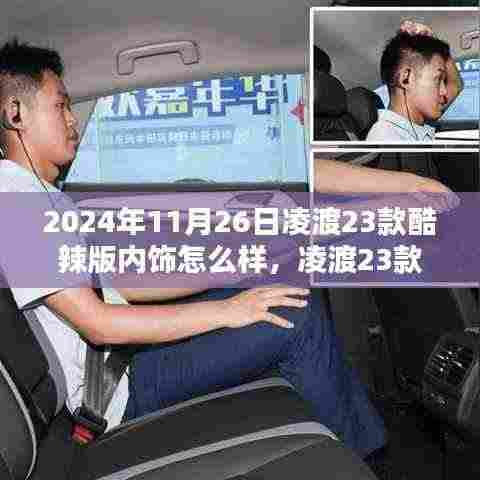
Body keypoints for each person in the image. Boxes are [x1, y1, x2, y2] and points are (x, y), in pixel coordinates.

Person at [0, 38, 456, 461]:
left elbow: (122, 284)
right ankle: (364, 458)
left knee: (279, 288)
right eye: (61, 105)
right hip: (114, 391)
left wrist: (230, 269)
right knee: (293, 319)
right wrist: (228, 310)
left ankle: (336, 433)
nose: (73, 119)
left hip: (118, 365)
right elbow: (98, 324)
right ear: (15, 113)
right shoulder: (14, 200)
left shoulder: (42, 195)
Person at [366, 21, 463, 143]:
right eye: (438, 80)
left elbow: (455, 86)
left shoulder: (417, 125)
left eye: (444, 80)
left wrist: (434, 42)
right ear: (406, 79)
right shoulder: (385, 137)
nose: (444, 92)